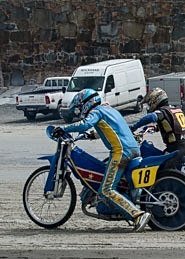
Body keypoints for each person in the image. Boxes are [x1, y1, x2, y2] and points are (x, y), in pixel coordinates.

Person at [51, 89, 151, 231]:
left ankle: (137, 215)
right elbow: (111, 129)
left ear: (86, 103)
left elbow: (85, 123)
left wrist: (63, 128)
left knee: (106, 189)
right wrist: (91, 136)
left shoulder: (96, 112)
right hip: (134, 149)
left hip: (121, 152)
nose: (80, 110)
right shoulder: (110, 110)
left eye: (80, 107)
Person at [129, 87, 185, 171]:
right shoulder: (174, 109)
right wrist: (156, 127)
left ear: (155, 100)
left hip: (176, 148)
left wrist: (134, 126)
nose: (149, 106)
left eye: (149, 103)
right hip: (184, 145)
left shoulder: (162, 111)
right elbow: (171, 124)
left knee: (163, 171)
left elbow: (151, 117)